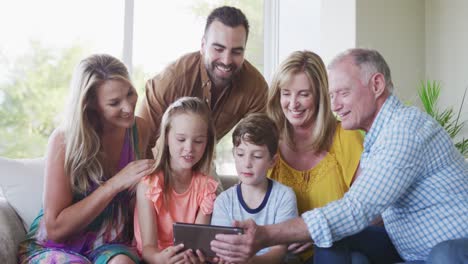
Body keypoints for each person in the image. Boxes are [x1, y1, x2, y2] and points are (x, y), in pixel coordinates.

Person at [210, 48, 468, 264]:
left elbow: (358, 208)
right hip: (409, 249)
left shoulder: (404, 131)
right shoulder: (376, 139)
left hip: (450, 248)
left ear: (376, 85)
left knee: (445, 254)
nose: (335, 105)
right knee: (332, 239)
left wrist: (267, 235)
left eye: (343, 93)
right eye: (332, 96)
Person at [18, 54, 154, 263]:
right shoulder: (64, 140)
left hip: (111, 243)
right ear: (91, 104)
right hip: (56, 246)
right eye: (114, 102)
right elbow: (55, 229)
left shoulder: (140, 129)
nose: (128, 107)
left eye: (130, 93)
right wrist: (114, 184)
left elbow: (147, 194)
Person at [138, 6, 268, 192]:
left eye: (236, 52)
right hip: (161, 163)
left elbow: (258, 146)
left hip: (204, 163)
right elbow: (139, 141)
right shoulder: (172, 80)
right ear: (203, 45)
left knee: (217, 203)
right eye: (218, 49)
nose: (226, 60)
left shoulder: (255, 87)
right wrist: (150, 185)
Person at [266, 50, 364, 262]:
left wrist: (317, 232)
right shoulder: (267, 143)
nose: (293, 103)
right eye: (286, 93)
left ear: (320, 95)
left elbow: (369, 211)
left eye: (303, 94)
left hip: (335, 249)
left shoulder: (347, 138)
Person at [134, 97, 218, 264]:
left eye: (198, 141)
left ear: (207, 143)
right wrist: (162, 259)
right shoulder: (148, 186)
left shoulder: (207, 188)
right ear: (166, 138)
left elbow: (197, 245)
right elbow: (148, 249)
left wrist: (197, 258)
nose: (189, 148)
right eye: (181, 139)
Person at [211, 113, 298, 263]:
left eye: (257, 156)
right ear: (234, 154)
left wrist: (251, 262)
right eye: (240, 154)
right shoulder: (223, 201)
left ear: (272, 161)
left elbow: (279, 252)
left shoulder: (284, 196)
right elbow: (221, 249)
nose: (247, 163)